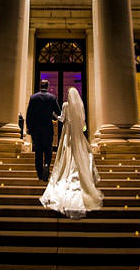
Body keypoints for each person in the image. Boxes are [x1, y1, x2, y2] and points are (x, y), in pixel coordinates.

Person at [40, 87, 103, 218]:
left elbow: (62, 119)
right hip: (77, 135)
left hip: (67, 133)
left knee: (65, 152)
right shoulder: (78, 106)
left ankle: (65, 172)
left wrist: (54, 115)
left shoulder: (65, 105)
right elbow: (83, 124)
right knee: (77, 152)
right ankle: (77, 172)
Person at [25, 79, 61, 182]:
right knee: (48, 149)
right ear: (48, 86)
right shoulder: (52, 98)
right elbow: (58, 112)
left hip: (36, 129)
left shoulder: (33, 98)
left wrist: (28, 127)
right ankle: (47, 164)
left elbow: (29, 114)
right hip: (47, 128)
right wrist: (53, 116)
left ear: (40, 86)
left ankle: (40, 173)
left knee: (38, 151)